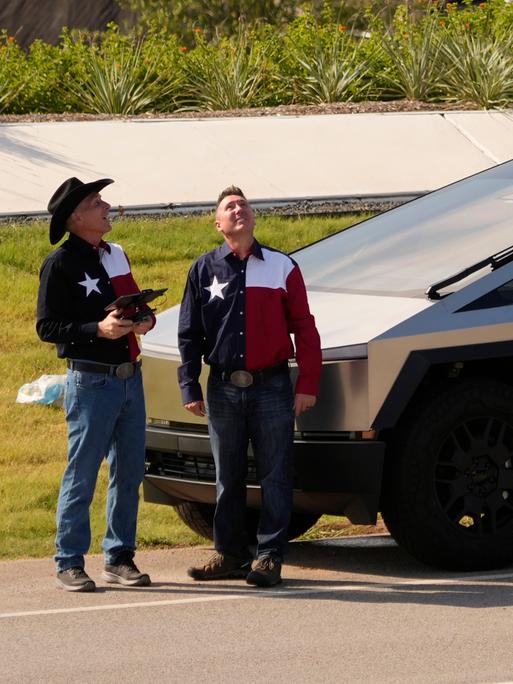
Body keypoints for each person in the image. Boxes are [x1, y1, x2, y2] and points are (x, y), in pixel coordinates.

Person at [178, 185, 322, 587]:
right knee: (228, 475)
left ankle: (269, 557)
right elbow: (189, 334)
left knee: (276, 473)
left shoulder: (282, 266)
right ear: (218, 224)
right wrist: (189, 385)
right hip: (222, 387)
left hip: (272, 386)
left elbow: (305, 328)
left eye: (243, 204)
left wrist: (307, 382)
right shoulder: (203, 270)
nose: (238, 209)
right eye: (229, 206)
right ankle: (228, 554)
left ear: (253, 218)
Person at [37, 176, 155, 592]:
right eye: (96, 201)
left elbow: (135, 305)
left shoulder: (116, 255)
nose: (107, 205)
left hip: (129, 378)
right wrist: (96, 329)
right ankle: (68, 560)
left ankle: (118, 556)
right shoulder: (60, 263)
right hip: (90, 381)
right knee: (82, 472)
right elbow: (47, 326)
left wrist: (145, 319)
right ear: (76, 217)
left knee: (129, 472)